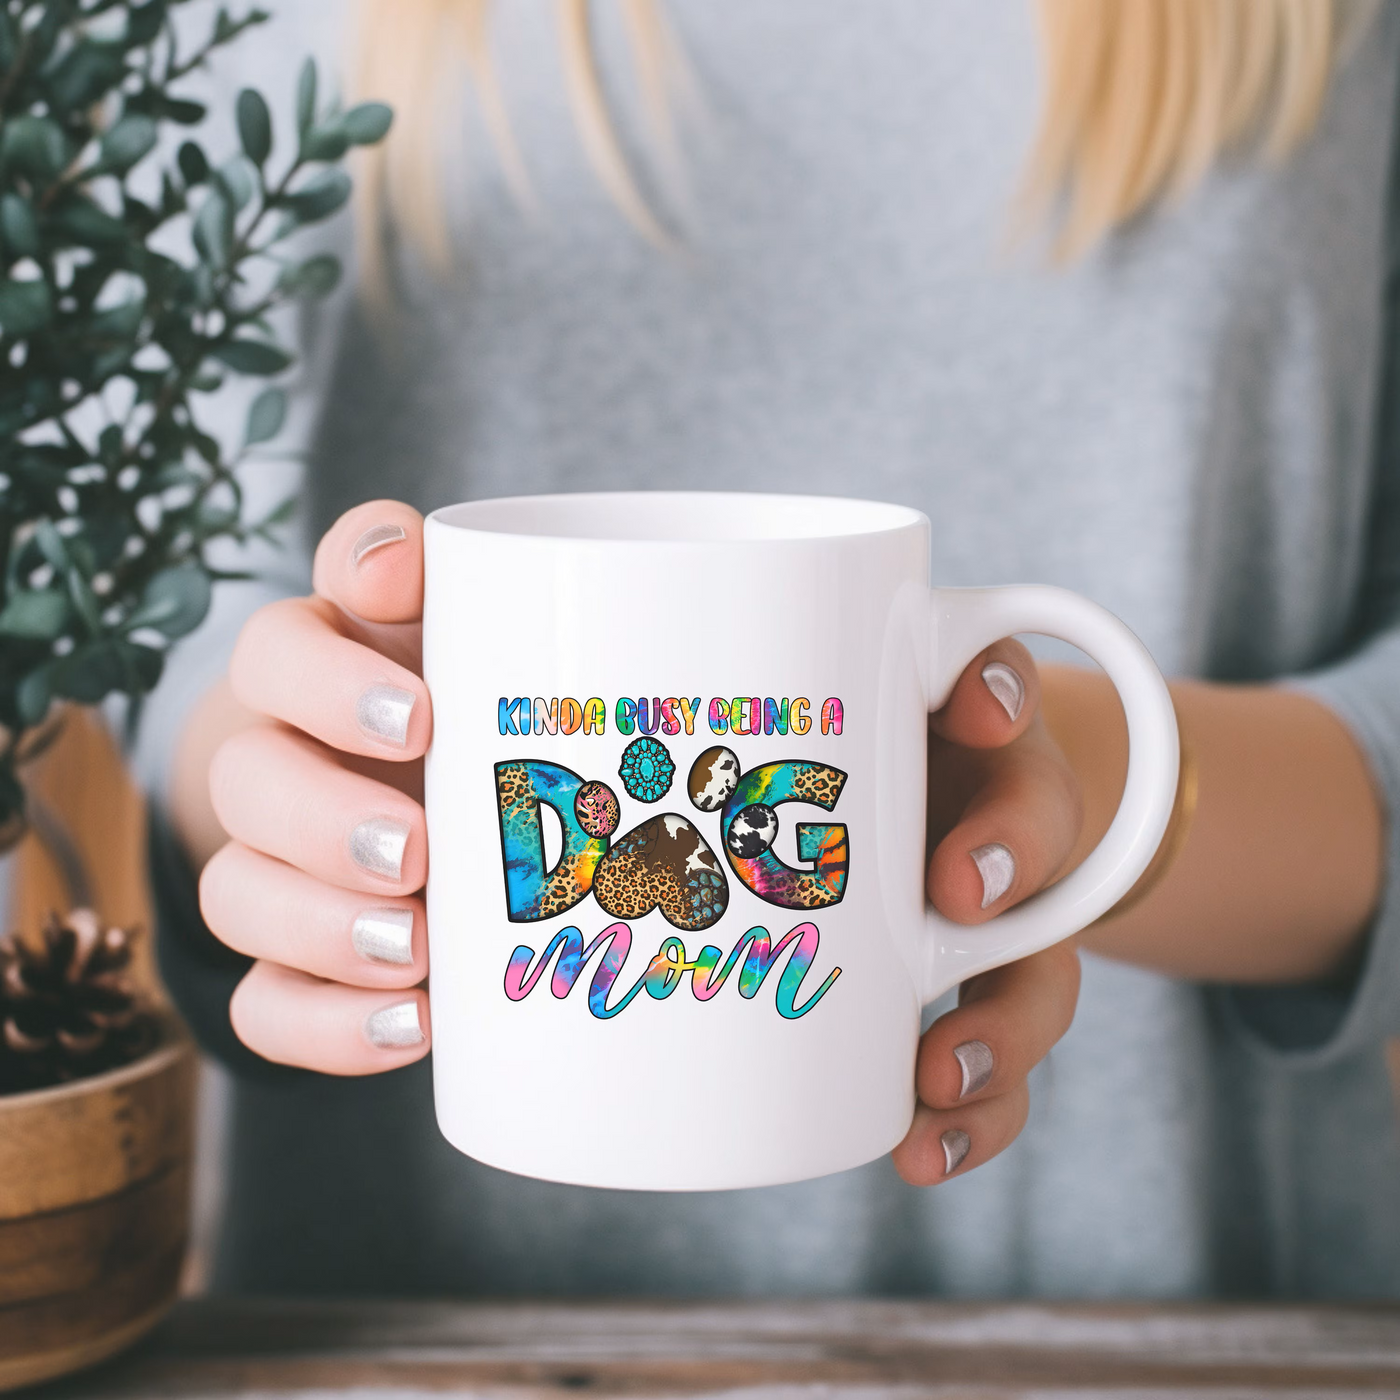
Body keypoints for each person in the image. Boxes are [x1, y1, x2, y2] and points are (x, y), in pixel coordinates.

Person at [148, 0, 1400, 1297]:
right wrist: (271, 790)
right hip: (393, 1325)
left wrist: (1056, 782)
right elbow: (163, 606)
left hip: (1185, 1328)